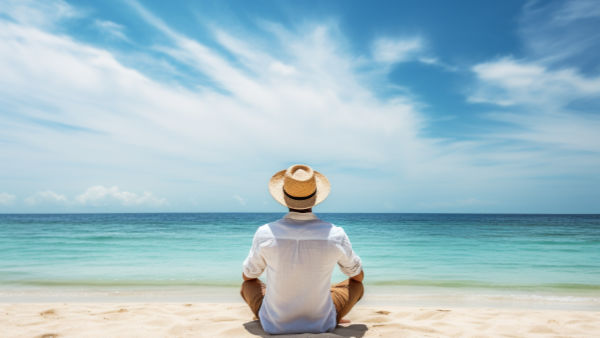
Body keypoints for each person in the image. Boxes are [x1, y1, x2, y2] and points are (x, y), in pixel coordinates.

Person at [240, 164, 364, 334]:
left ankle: (266, 314)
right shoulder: (335, 234)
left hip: (274, 325)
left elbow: (248, 275)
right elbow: (358, 275)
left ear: (284, 197)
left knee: (248, 284)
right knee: (356, 285)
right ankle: (331, 314)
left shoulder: (265, 233)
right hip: (322, 324)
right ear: (315, 197)